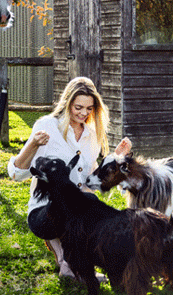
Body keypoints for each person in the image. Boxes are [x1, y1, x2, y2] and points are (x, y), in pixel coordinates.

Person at [7, 76, 109, 280]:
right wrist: (33, 145)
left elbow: (91, 180)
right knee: (85, 203)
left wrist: (117, 159)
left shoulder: (92, 134)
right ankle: (70, 255)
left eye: (89, 109)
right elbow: (16, 174)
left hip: (76, 211)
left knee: (91, 205)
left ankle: (71, 264)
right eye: (78, 107)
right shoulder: (47, 125)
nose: (84, 113)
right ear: (67, 103)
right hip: (43, 212)